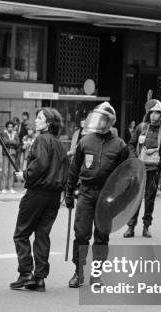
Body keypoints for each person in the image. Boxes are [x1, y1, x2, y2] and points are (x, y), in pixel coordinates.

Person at [65, 102, 129, 287]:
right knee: (81, 235)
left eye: (103, 118)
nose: (99, 121)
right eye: (98, 117)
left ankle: (96, 274)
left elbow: (125, 175)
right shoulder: (85, 141)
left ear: (110, 121)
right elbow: (74, 169)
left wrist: (120, 200)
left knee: (101, 237)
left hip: (106, 197)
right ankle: (78, 272)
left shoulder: (120, 145)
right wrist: (69, 193)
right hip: (85, 193)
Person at [10, 108, 69, 292]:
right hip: (54, 196)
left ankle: (26, 273)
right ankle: (39, 278)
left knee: (21, 233)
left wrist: (24, 174)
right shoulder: (60, 144)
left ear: (48, 123)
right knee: (42, 234)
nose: (36, 121)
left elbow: (40, 165)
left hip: (37, 193)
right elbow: (66, 170)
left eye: (40, 118)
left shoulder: (41, 139)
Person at [123, 99, 161, 238]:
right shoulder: (141, 128)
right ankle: (131, 227)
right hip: (139, 170)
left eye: (157, 113)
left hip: (154, 172)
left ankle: (146, 227)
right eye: (152, 113)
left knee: (149, 199)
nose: (153, 116)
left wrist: (158, 165)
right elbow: (131, 145)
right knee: (135, 198)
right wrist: (134, 159)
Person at [0, 120, 20, 193]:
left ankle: (10, 187)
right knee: (4, 171)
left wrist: (11, 142)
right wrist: (12, 141)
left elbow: (18, 143)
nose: (10, 128)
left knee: (11, 171)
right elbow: (5, 142)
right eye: (9, 127)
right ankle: (3, 188)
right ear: (7, 127)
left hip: (13, 154)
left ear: (13, 128)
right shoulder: (4, 134)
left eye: (11, 127)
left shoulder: (15, 134)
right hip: (6, 154)